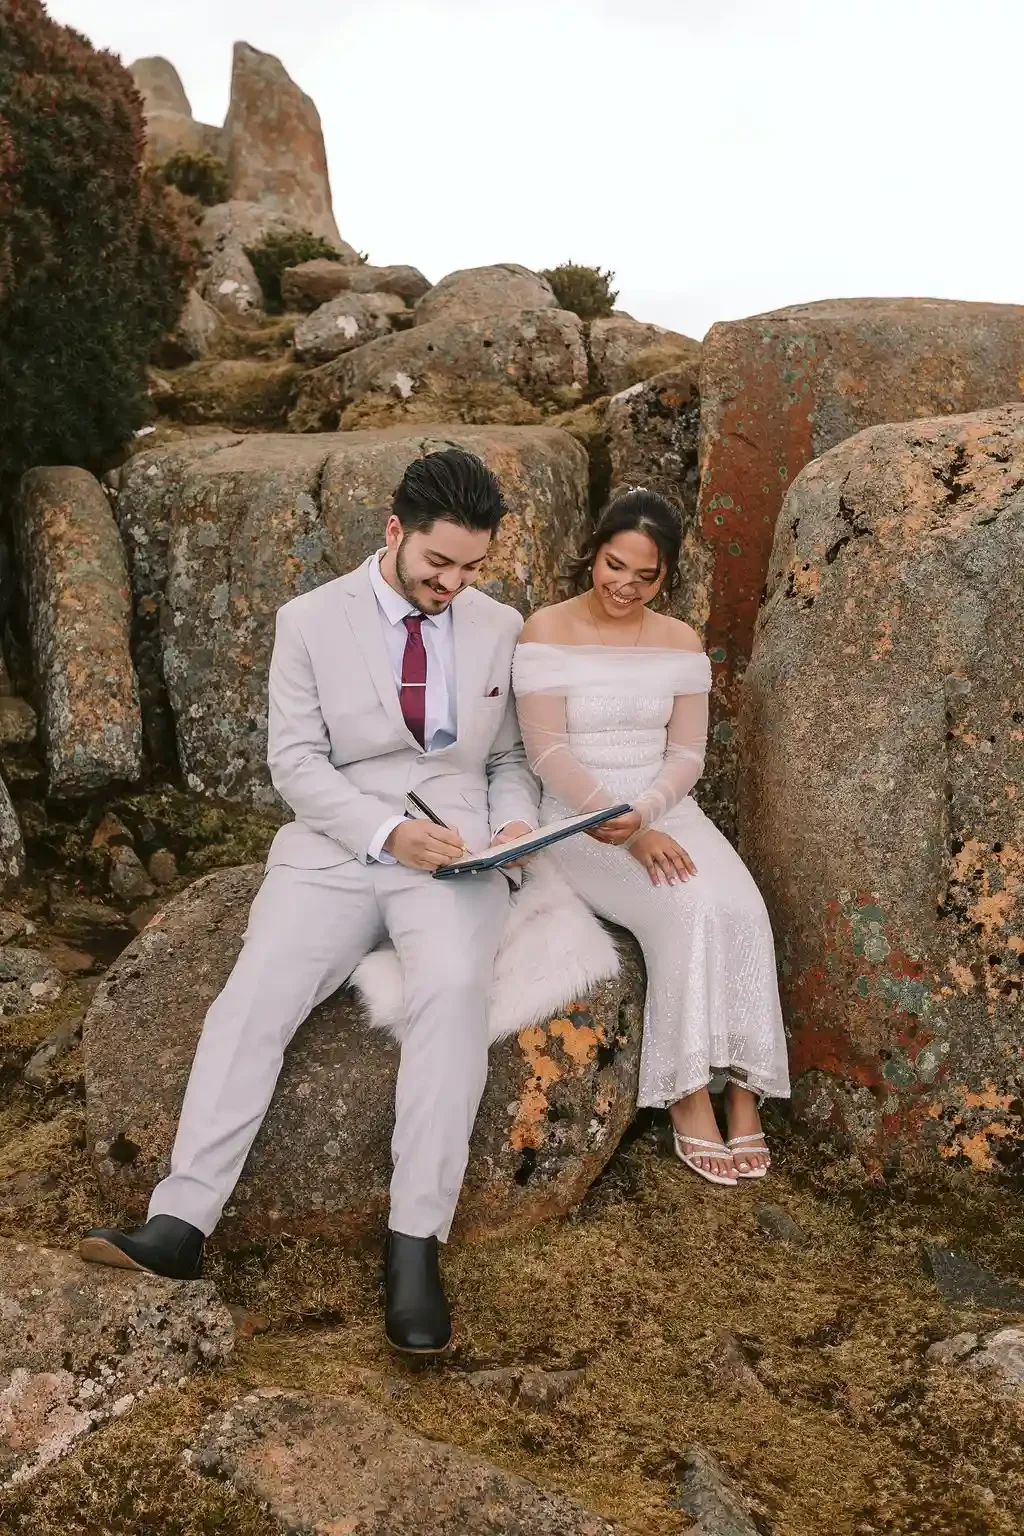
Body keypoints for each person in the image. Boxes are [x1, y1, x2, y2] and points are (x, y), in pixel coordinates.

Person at [80, 449, 539, 1355]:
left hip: (456, 854)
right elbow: (293, 764)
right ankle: (180, 1222)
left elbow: (507, 760)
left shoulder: (501, 625)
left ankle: (416, 1246)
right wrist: (382, 831)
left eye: (471, 568)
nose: (453, 584)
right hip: (335, 848)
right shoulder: (308, 619)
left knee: (450, 990)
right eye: (438, 563)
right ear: (394, 532)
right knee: (256, 994)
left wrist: (515, 828)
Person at [513, 489, 789, 1185]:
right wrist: (622, 828)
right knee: (688, 909)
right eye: (614, 565)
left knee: (741, 907)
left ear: (667, 576)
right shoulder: (545, 630)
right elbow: (546, 751)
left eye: (646, 576)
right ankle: (688, 1094)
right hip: (577, 817)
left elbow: (688, 754)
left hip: (664, 809)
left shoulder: (678, 641)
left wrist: (652, 813)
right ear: (593, 551)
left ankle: (745, 1093)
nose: (625, 586)